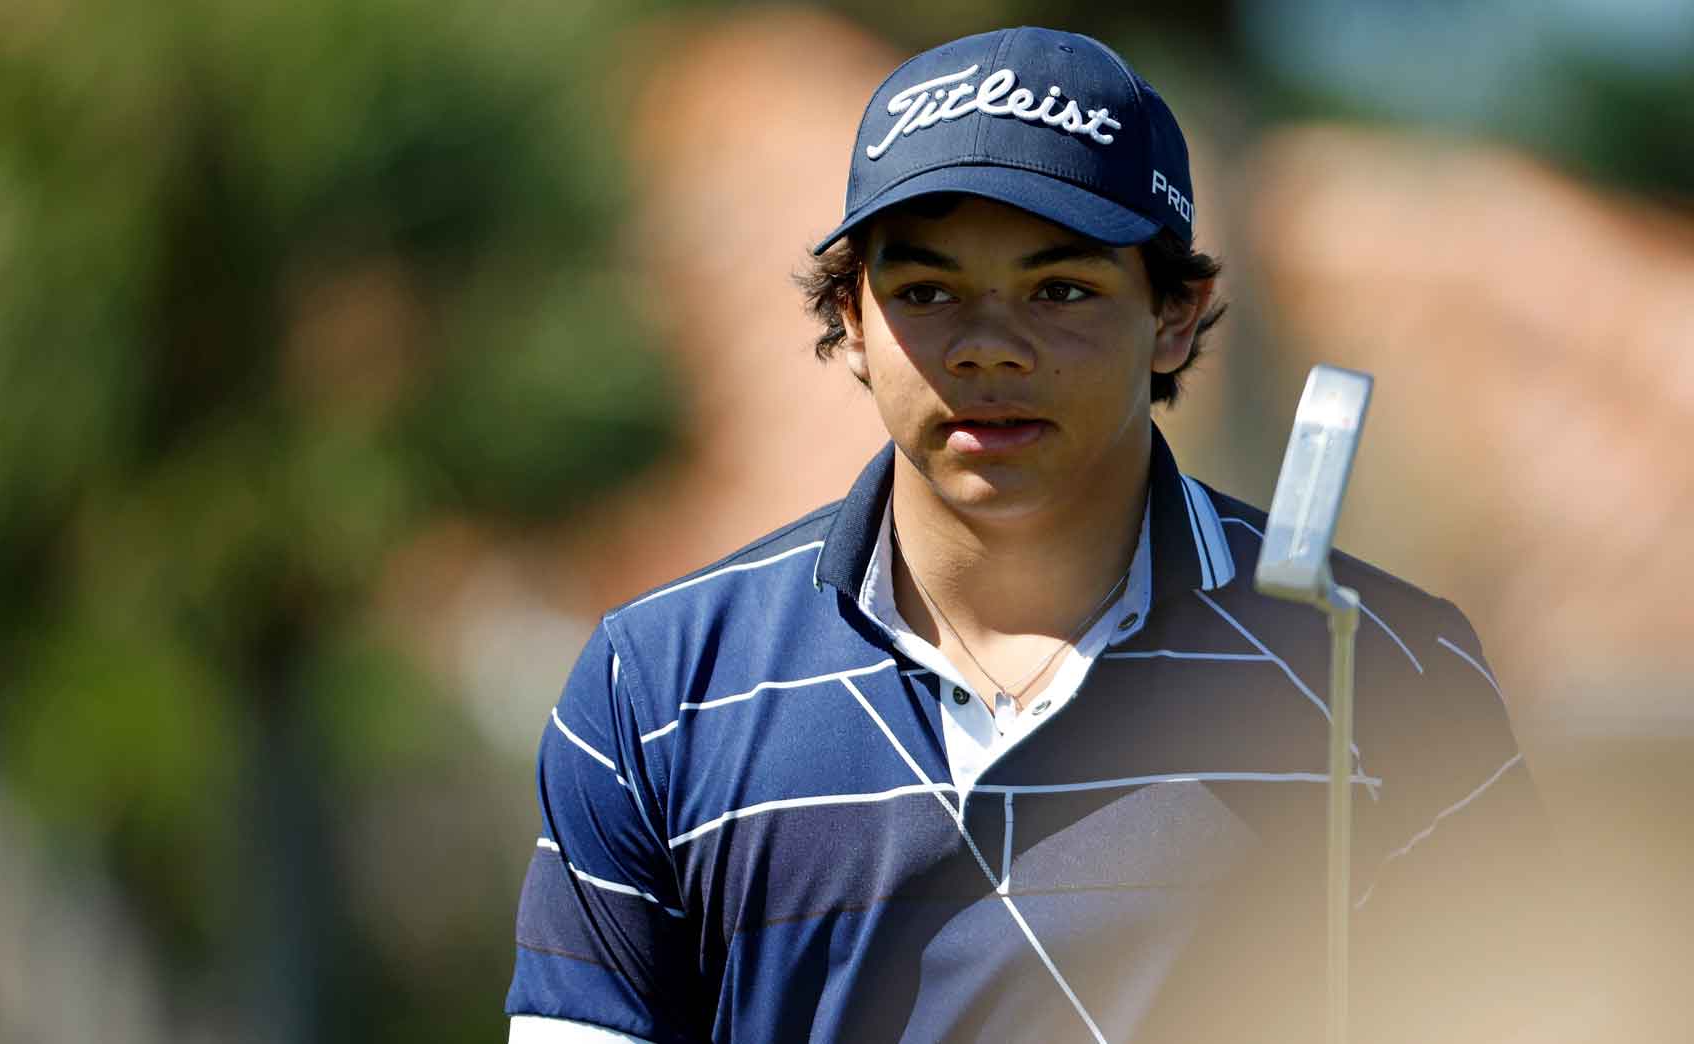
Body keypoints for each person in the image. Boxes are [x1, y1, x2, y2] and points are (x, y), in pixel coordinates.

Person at [505, 26, 1553, 1044]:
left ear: (1173, 316)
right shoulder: (657, 687)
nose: (989, 348)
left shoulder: (1384, 665)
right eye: (924, 291)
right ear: (851, 320)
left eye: (1059, 290)